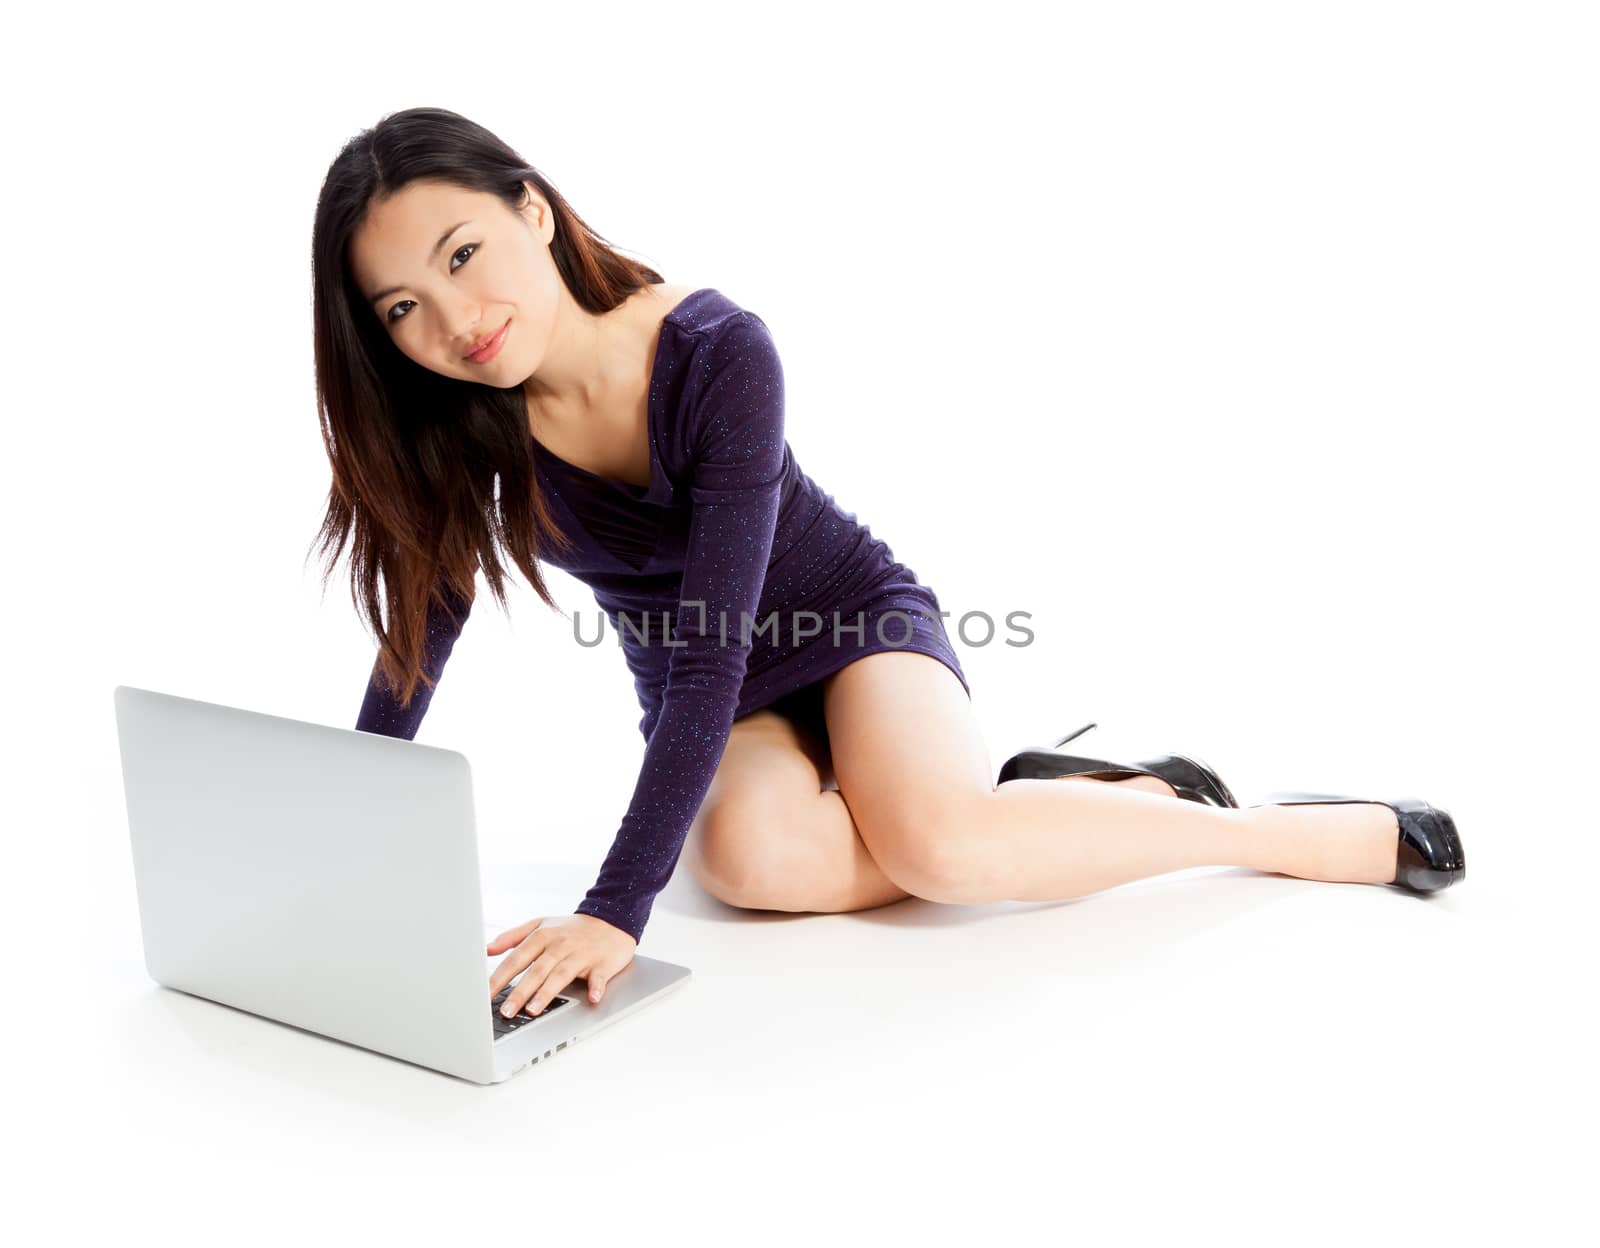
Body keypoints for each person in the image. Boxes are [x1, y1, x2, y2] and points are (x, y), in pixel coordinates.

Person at [308, 107, 1465, 1024]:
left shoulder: (716, 350)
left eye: (465, 254)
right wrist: (339, 835)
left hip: (846, 626)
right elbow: (420, 642)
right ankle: (1064, 803)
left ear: (534, 209)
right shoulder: (460, 430)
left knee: (945, 849)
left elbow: (719, 640)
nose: (456, 321)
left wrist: (613, 910)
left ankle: (1265, 833)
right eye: (405, 305)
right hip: (712, 694)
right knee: (752, 861)